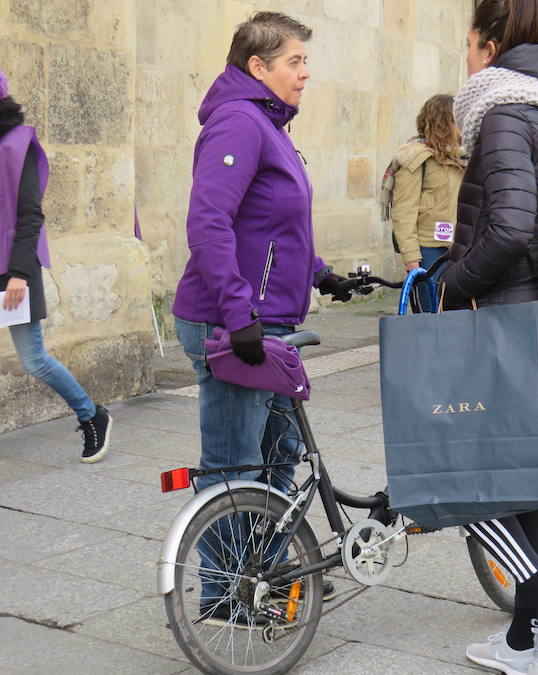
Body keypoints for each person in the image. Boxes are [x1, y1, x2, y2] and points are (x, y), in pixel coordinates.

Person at [442, 1, 538, 672]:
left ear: (491, 43)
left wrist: (454, 282)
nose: (466, 59)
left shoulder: (504, 112)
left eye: (469, 45)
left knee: (455, 486)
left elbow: (508, 227)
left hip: (506, 324)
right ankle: (524, 636)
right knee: (525, 484)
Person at [171, 12, 351, 610]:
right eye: (295, 61)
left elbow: (272, 222)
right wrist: (238, 312)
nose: (305, 72)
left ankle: (262, 581)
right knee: (234, 469)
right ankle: (224, 599)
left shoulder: (267, 124)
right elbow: (209, 222)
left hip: (263, 321)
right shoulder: (239, 123)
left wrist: (323, 274)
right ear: (259, 66)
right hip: (231, 323)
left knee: (278, 462)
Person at [0, 68, 111, 463]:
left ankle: (91, 413)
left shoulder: (18, 143)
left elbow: (30, 215)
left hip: (12, 270)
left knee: (32, 358)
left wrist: (17, 274)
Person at [389, 94, 465, 311]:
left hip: (457, 248)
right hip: (429, 252)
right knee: (431, 317)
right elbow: (404, 213)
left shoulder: (461, 158)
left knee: (455, 315)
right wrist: (412, 260)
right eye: (456, 119)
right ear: (444, 122)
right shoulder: (416, 159)